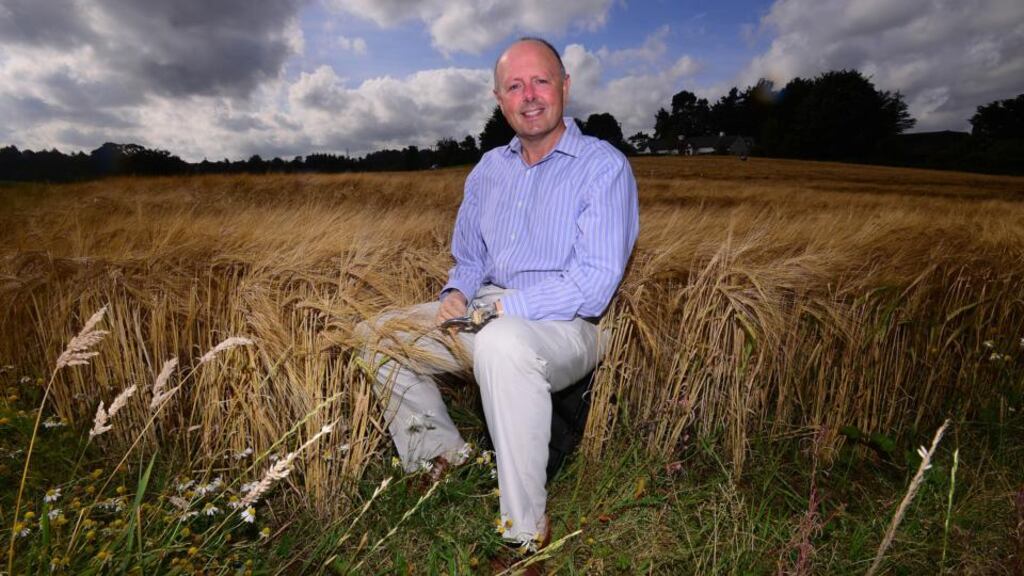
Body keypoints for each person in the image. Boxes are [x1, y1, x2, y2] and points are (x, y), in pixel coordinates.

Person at [358, 36, 639, 553]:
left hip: (570, 326)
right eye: (515, 85)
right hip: (485, 313)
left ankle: (525, 534)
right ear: (499, 98)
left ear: (565, 87)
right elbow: (470, 258)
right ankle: (441, 460)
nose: (529, 95)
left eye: (540, 81)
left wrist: (502, 309)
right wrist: (457, 292)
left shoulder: (603, 167)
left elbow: (595, 284)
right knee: (377, 334)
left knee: (503, 343)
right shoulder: (489, 169)